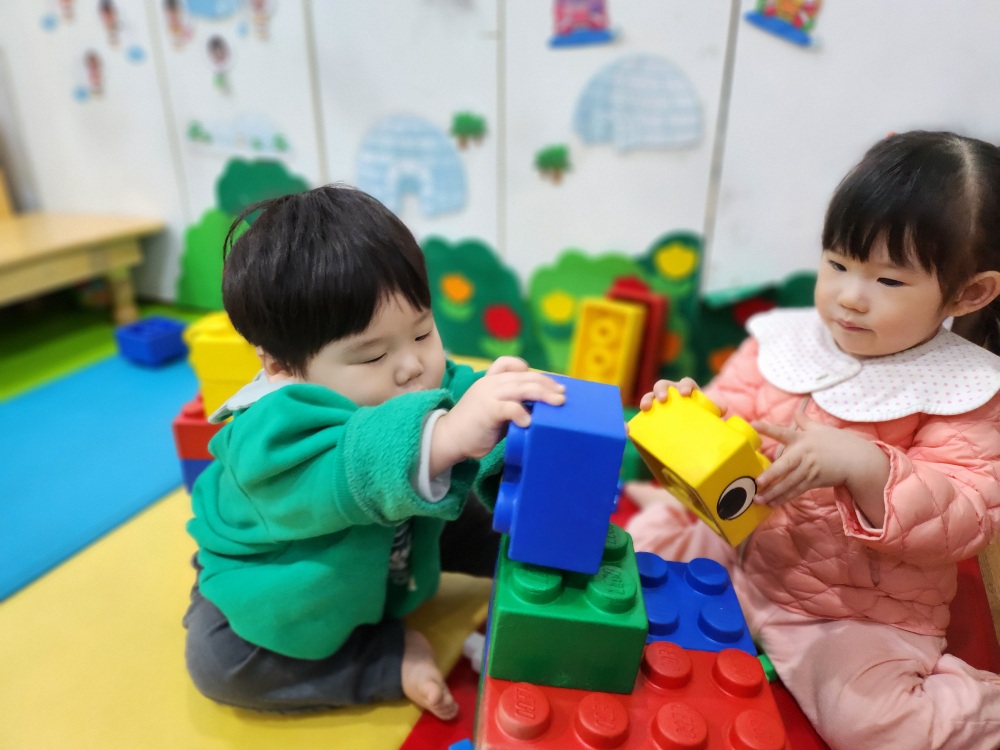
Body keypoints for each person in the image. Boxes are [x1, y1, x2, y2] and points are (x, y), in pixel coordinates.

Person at [626, 131, 1000, 750]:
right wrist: (685, 417)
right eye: (838, 264)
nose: (850, 297)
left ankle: (982, 707)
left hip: (848, 611)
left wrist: (868, 467)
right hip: (739, 550)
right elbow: (729, 413)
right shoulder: (787, 344)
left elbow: (966, 519)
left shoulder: (966, 390)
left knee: (875, 726)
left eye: (889, 281)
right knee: (628, 562)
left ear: (968, 294)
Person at [183, 184, 565, 719]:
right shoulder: (270, 431)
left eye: (423, 332)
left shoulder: (413, 374)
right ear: (282, 367)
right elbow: (352, 459)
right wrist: (449, 434)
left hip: (402, 543)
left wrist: (535, 412)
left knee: (515, 521)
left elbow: (474, 409)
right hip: (293, 571)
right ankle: (384, 660)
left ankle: (561, 585)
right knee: (216, 659)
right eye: (372, 357)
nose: (413, 367)